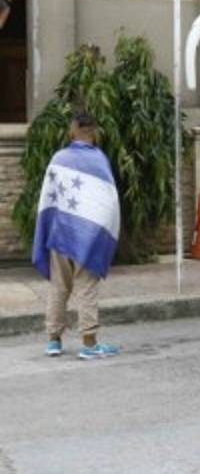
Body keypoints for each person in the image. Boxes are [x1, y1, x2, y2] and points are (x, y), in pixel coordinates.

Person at [32, 112, 121, 360]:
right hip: (89, 235)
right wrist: (100, 233)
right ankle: (89, 344)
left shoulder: (58, 158)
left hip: (59, 234)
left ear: (72, 132)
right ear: (94, 133)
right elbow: (108, 201)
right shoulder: (100, 160)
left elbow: (48, 198)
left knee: (58, 287)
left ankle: (53, 341)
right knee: (86, 287)